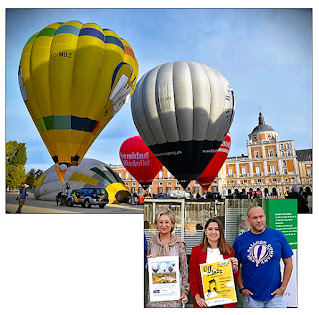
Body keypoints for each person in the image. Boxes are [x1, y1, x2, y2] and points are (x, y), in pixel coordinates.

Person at [233, 206, 293, 308]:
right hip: (251, 298)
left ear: (265, 217)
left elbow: (289, 263)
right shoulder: (240, 241)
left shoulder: (278, 236)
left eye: (261, 217)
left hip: (275, 297)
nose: (259, 220)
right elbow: (235, 267)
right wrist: (242, 288)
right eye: (254, 218)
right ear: (248, 220)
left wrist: (283, 288)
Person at [189, 218, 239, 308]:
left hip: (225, 300)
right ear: (205, 231)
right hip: (204, 301)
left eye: (217, 229)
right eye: (210, 229)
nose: (213, 232)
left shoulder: (229, 251)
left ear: (221, 232)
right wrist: (197, 297)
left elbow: (234, 278)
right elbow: (192, 277)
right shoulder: (196, 251)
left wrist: (235, 268)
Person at [146, 209, 189, 308]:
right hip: (156, 294)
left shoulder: (179, 244)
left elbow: (184, 269)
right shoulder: (151, 243)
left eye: (167, 222)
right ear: (156, 224)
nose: (163, 225)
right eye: (160, 222)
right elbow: (147, 268)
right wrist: (150, 261)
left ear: (172, 224)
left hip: (174, 293)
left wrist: (184, 290)